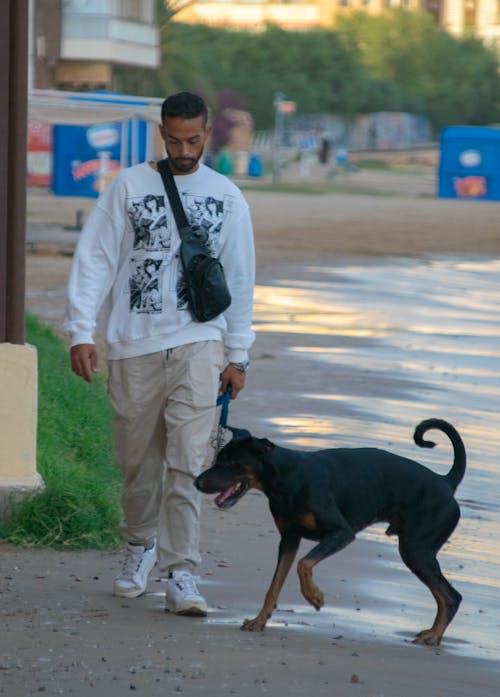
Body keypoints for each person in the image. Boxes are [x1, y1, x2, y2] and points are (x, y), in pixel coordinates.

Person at [64, 92, 255, 616]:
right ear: (161, 134)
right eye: (174, 140)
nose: (184, 149)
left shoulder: (226, 196)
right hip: (133, 344)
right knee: (136, 463)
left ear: (207, 132)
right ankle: (138, 546)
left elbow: (239, 277)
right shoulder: (128, 186)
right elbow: (95, 260)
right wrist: (82, 331)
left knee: (187, 462)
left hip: (200, 343)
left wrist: (237, 355)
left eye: (193, 140)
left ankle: (182, 573)